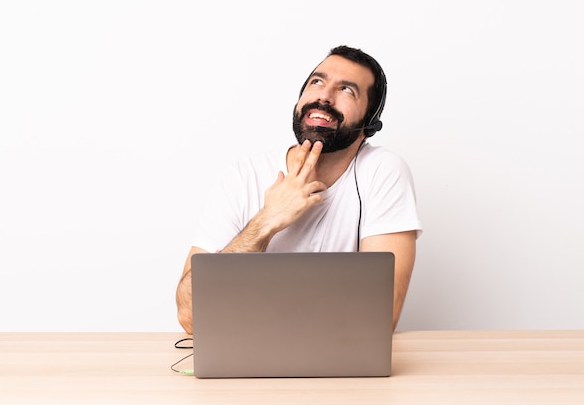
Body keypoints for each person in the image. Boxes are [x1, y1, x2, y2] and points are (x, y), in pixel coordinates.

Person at [176, 45, 422, 335]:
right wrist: (265, 222)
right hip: (245, 366)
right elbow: (191, 315)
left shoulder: (383, 172)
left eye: (346, 90)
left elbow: (380, 317)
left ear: (370, 122)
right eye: (317, 82)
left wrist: (239, 305)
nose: (324, 96)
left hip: (340, 366)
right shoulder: (242, 176)